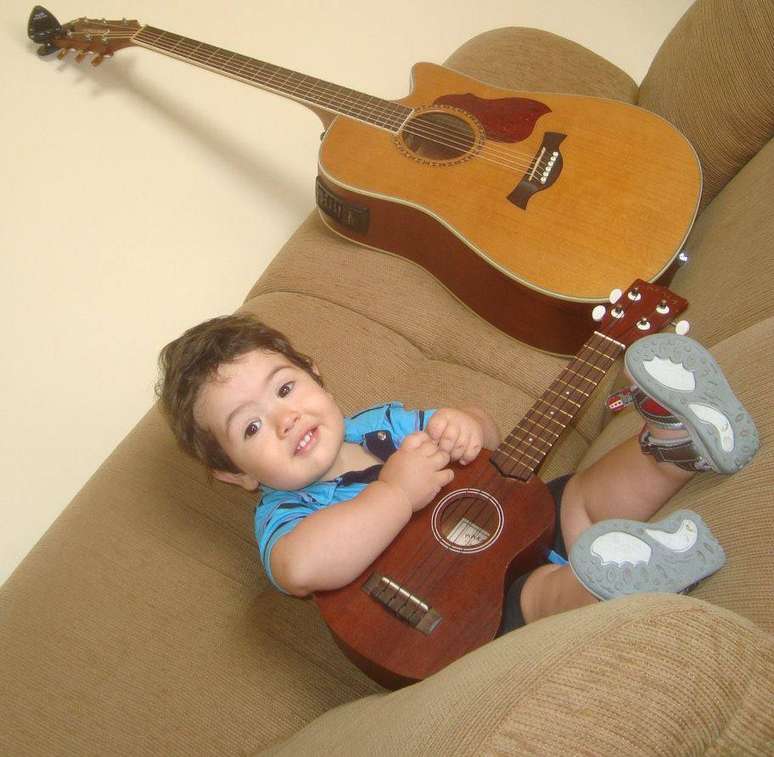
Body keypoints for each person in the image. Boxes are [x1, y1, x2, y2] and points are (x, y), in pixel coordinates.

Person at [155, 313, 759, 631]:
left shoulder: (382, 424)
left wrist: (466, 422)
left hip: (517, 521)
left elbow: (488, 443)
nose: (284, 418)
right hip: (460, 610)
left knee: (579, 498)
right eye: (252, 427)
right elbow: (300, 567)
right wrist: (394, 491)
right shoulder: (284, 512)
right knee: (540, 598)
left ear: (315, 373)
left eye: (285, 387)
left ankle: (677, 445)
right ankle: (618, 575)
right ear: (237, 476)